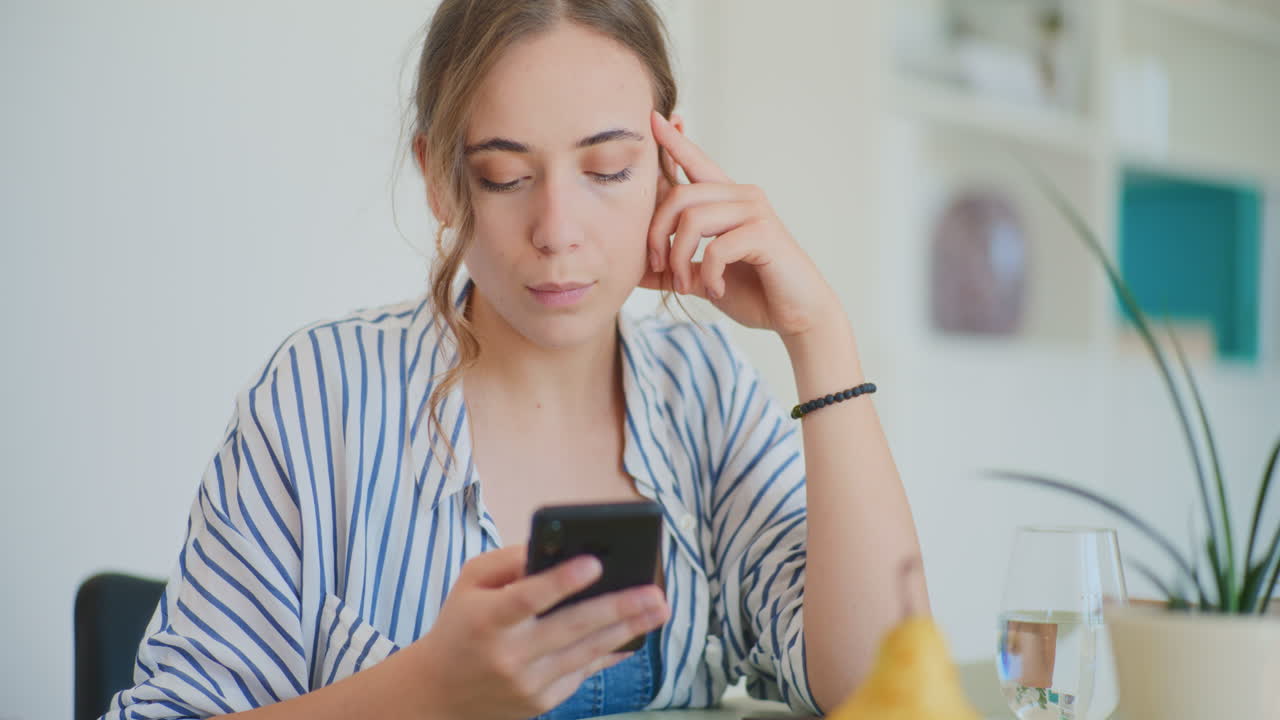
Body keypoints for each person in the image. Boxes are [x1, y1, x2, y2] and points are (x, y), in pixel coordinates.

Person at [103, 1, 927, 718]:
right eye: (504, 177)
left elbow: (876, 686)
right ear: (440, 179)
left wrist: (819, 335)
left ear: (670, 164)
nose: (558, 229)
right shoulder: (322, 397)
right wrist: (423, 693)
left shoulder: (702, 388)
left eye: (607, 169)